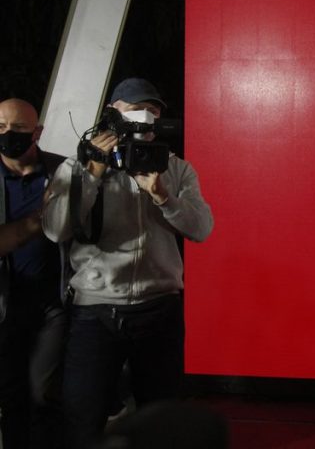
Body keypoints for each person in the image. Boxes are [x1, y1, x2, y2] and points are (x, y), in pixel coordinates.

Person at [42, 78, 213, 449]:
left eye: (153, 110)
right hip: (96, 313)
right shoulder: (77, 165)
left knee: (162, 421)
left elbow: (201, 229)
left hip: (159, 309)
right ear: (112, 113)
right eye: (136, 109)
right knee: (83, 417)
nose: (145, 117)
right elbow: (56, 229)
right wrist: (91, 174)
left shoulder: (175, 168)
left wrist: (163, 197)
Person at [0, 98, 67, 449]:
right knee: (11, 395)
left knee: (44, 394)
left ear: (37, 132)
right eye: (0, 128)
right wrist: (42, 217)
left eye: (18, 128)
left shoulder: (63, 170)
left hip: (53, 303)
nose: (8, 135)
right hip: (5, 304)